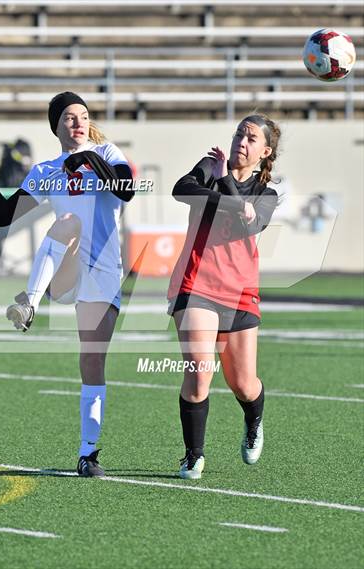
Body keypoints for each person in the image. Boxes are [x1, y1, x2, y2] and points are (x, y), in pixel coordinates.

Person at [0, 91, 134, 477]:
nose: (78, 122)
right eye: (70, 117)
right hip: (63, 276)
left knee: (92, 361)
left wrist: (86, 158)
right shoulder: (46, 170)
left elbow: (124, 188)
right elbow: (6, 214)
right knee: (67, 223)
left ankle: (88, 454)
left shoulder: (107, 155)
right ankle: (29, 302)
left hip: (103, 275)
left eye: (84, 116)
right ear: (55, 125)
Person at [167, 114, 281, 479]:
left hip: (240, 290)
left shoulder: (267, 194)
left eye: (250, 139)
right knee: (200, 375)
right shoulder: (209, 166)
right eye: (238, 134)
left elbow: (253, 223)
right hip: (196, 284)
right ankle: (193, 455)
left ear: (264, 152)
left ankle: (253, 420)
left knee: (244, 385)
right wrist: (223, 186)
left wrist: (226, 186)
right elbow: (181, 190)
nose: (240, 142)